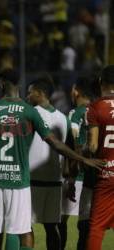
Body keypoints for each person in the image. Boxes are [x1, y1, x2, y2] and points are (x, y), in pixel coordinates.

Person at [0, 69, 104, 250]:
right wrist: (82, 159)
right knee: (15, 229)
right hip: (20, 181)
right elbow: (55, 143)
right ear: (19, 84)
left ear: (1, 83)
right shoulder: (29, 112)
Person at [27, 78, 70, 250]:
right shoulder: (64, 118)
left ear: (39, 93)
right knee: (51, 227)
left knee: (25, 227)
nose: (28, 96)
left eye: (30, 92)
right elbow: (68, 151)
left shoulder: (30, 114)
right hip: (55, 181)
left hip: (32, 180)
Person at [60, 77, 95, 250]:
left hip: (78, 174)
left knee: (61, 219)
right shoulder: (97, 110)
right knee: (86, 222)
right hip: (93, 175)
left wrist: (70, 176)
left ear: (77, 91)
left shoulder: (76, 113)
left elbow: (73, 142)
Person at [86, 65, 114, 250]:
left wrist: (82, 151)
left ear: (100, 82)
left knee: (97, 227)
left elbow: (93, 146)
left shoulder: (95, 107)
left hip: (106, 174)